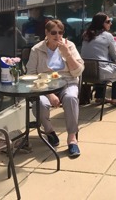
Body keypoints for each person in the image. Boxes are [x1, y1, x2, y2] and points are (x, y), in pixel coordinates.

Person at [27, 19, 84, 157]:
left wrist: (67, 54)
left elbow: (78, 72)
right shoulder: (37, 49)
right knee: (39, 102)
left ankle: (72, 138)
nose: (57, 36)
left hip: (67, 82)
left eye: (61, 32)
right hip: (44, 84)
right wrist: (49, 94)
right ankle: (49, 130)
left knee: (71, 98)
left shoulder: (69, 46)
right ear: (46, 33)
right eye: (53, 32)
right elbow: (31, 74)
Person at [81, 13, 116, 107]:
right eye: (108, 22)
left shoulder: (86, 34)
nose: (110, 23)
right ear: (101, 23)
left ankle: (99, 97)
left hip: (85, 73)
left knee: (102, 65)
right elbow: (114, 56)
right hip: (100, 73)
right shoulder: (108, 36)